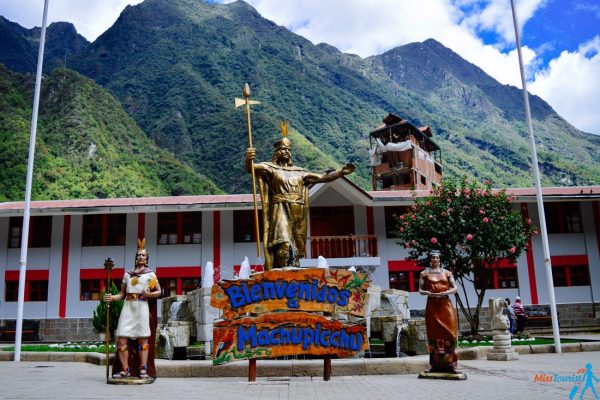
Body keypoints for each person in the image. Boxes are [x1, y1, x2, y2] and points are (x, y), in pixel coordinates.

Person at [245, 122, 355, 270]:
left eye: (288, 149)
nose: (286, 152)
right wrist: (248, 158)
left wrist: (341, 172)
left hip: (298, 210)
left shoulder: (300, 171)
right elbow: (251, 169)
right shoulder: (270, 168)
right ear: (277, 151)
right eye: (283, 149)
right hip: (280, 208)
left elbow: (323, 178)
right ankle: (279, 274)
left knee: (295, 249)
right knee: (282, 243)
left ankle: (294, 276)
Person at [104, 239, 161, 380]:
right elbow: (122, 295)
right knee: (121, 340)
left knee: (143, 340)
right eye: (138, 255)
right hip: (128, 308)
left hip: (141, 307)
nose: (140, 257)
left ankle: (143, 370)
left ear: (147, 259)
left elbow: (159, 291)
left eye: (143, 255)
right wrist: (111, 297)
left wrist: (150, 294)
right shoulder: (127, 274)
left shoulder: (151, 274)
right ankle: (125, 369)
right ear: (135, 258)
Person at [419, 250, 460, 373]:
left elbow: (455, 288)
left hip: (445, 305)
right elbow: (420, 290)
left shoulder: (447, 273)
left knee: (450, 333)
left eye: (437, 257)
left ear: (440, 259)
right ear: (430, 259)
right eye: (433, 257)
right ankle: (434, 364)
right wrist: (427, 292)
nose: (435, 259)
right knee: (433, 334)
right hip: (432, 305)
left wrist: (446, 292)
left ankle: (452, 363)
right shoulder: (424, 273)